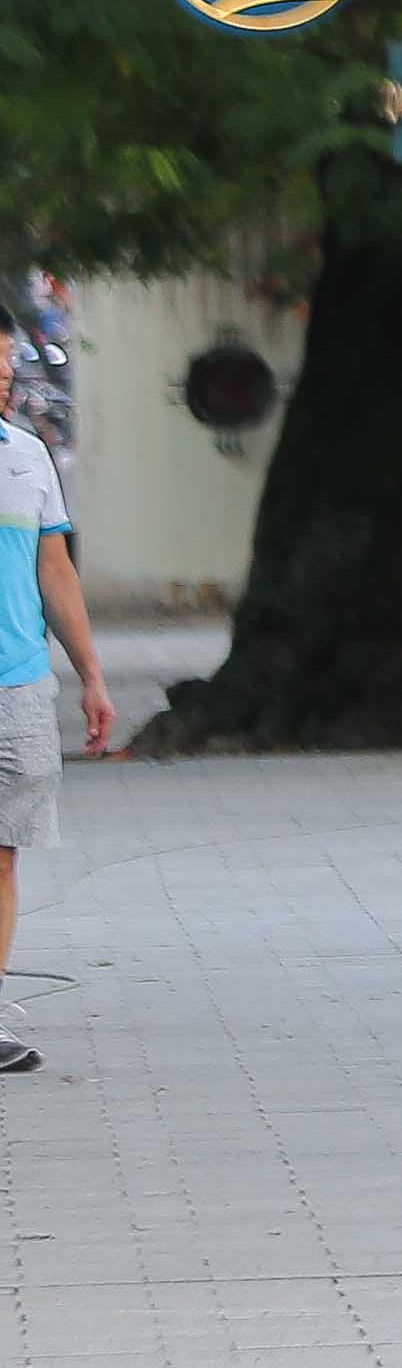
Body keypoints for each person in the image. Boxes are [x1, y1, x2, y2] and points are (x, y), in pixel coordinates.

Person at [0, 398, 108, 1080]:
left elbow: (56, 572)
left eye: (5, 367)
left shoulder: (27, 453)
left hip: (19, 688)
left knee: (3, 855)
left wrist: (90, 677)